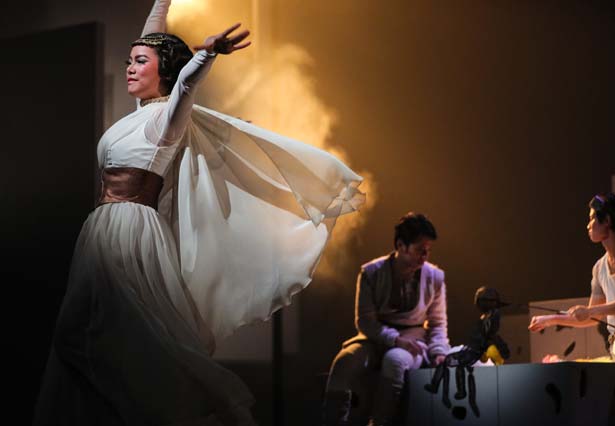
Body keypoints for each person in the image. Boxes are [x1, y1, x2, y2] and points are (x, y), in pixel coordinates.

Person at [33, 1, 364, 425]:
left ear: (164, 72)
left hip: (129, 231)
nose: (130, 68)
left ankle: (196, 405)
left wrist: (206, 54)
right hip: (101, 230)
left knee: (117, 332)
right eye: (129, 60)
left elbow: (186, 83)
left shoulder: (166, 121)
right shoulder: (140, 115)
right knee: (96, 334)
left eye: (140, 62)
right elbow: (153, 36)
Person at [323, 212, 449, 426]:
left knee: (395, 361)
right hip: (374, 338)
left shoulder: (434, 277)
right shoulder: (371, 272)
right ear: (401, 245)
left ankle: (379, 423)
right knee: (344, 362)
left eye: (428, 250)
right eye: (420, 249)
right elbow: (365, 321)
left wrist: (438, 352)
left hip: (413, 340)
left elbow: (437, 323)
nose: (425, 256)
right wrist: (394, 339)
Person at [528, 193, 615, 416]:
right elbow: (590, 317)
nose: (588, 225)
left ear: (607, 221)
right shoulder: (599, 268)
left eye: (591, 219)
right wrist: (549, 320)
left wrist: (591, 310)